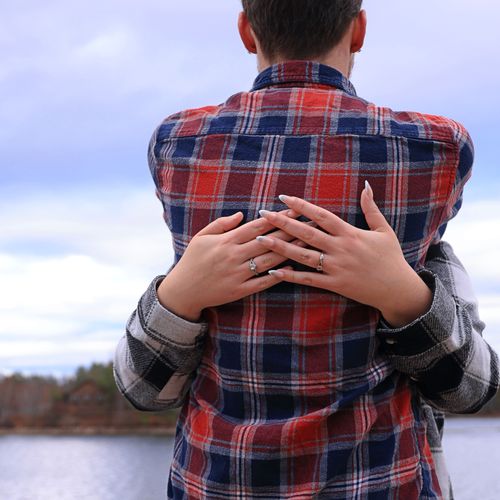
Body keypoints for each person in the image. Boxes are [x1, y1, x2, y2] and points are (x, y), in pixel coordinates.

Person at [113, 1, 499, 498]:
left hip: (213, 483)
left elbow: (143, 390)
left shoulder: (180, 144)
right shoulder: (434, 148)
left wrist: (176, 301)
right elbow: (468, 390)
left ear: (246, 31)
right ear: (358, 30)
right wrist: (406, 297)